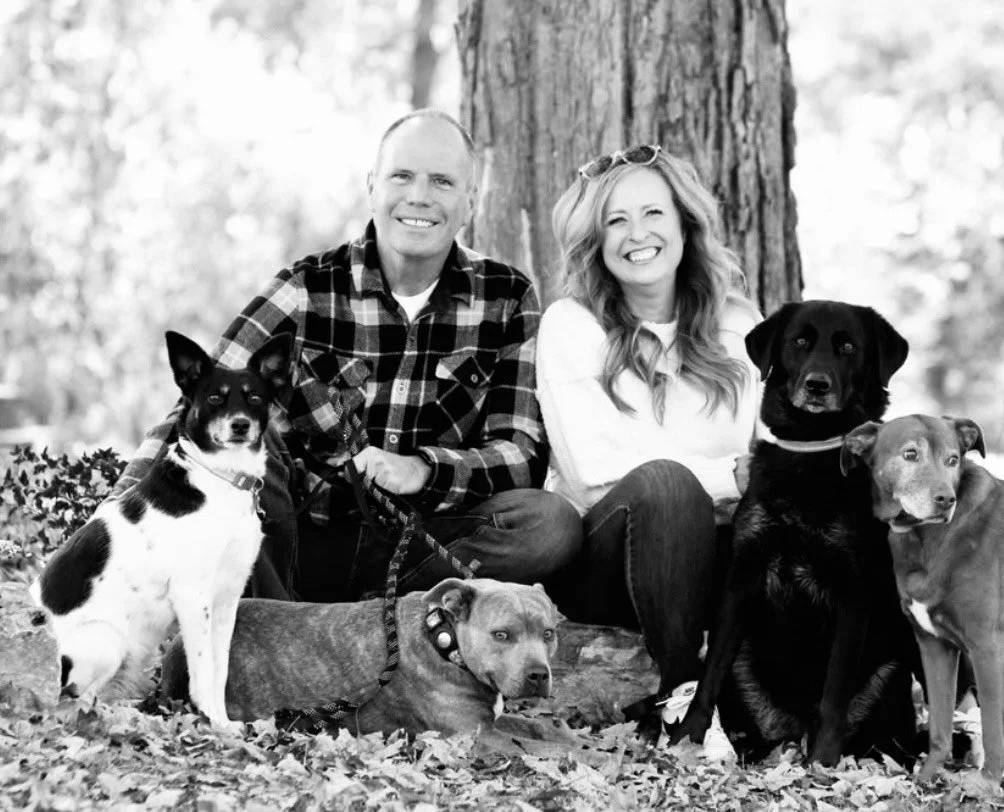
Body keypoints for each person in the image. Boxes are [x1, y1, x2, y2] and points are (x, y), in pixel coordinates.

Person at [111, 109, 582, 603]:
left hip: (423, 551)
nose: (419, 196)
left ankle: (383, 613)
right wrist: (114, 525)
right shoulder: (305, 289)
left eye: (442, 181)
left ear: (471, 201)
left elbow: (521, 454)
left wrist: (422, 469)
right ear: (372, 186)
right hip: (299, 542)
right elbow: (197, 410)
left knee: (550, 525)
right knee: (246, 439)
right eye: (402, 176)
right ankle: (280, 623)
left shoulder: (507, 297)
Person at [539, 144, 763, 759]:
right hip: (608, 561)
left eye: (653, 213)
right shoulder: (570, 324)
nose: (637, 234)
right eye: (616, 220)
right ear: (596, 241)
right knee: (665, 485)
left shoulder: (737, 324)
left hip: (715, 554)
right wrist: (728, 476)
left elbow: (763, 453)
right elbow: (595, 472)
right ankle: (683, 699)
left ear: (685, 224)